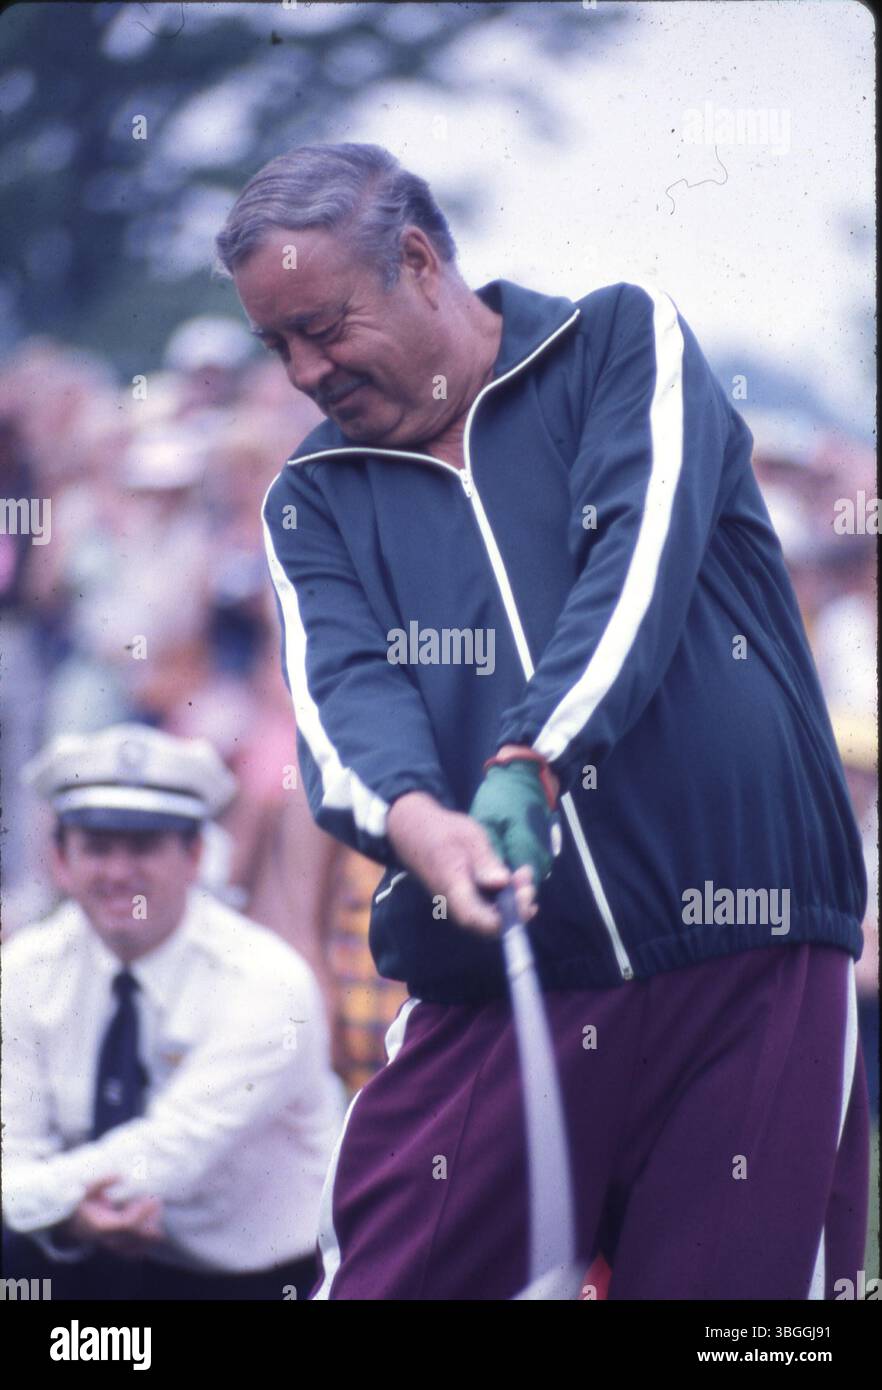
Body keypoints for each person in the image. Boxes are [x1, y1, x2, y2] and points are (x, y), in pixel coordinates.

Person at [215, 142, 870, 1300]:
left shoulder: (622, 341)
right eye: (277, 346)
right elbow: (341, 699)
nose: (305, 371)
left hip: (751, 946)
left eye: (324, 326)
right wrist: (421, 825)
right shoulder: (310, 497)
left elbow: (639, 566)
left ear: (419, 260)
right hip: (495, 976)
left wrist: (533, 759)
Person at [1, 723, 344, 1300]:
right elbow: (11, 1145)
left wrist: (38, 1196)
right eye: (97, 846)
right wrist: (62, 1212)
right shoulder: (26, 970)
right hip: (82, 1252)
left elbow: (168, 1154)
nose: (118, 874)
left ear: (194, 856)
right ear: (60, 859)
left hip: (250, 1282)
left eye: (144, 847)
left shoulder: (267, 981)